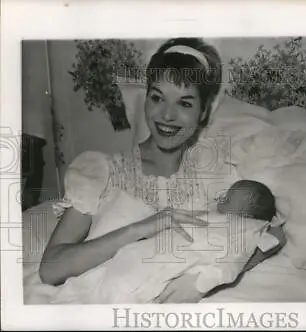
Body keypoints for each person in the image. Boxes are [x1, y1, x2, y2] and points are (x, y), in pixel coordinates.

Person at [39, 37, 286, 303]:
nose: (167, 115)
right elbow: (50, 269)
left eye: (185, 103)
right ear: (145, 99)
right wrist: (141, 229)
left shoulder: (216, 174)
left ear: (203, 114)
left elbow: (272, 234)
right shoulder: (104, 171)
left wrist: (203, 282)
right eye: (157, 97)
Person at [48, 179, 281, 304]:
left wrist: (200, 284)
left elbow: (231, 264)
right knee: (121, 266)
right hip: (142, 250)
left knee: (134, 285)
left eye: (228, 198)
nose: (221, 199)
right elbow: (49, 271)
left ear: (247, 215)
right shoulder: (210, 211)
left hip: (175, 263)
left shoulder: (246, 228)